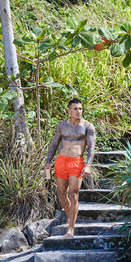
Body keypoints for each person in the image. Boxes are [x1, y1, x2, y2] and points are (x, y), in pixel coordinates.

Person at [44, 98, 96, 238]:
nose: (78, 111)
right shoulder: (62, 126)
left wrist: (88, 166)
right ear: (69, 111)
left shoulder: (88, 127)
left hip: (76, 163)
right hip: (61, 162)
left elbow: (91, 148)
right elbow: (54, 144)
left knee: (73, 194)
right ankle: (69, 216)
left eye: (80, 108)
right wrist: (48, 162)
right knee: (62, 195)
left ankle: (71, 230)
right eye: (75, 109)